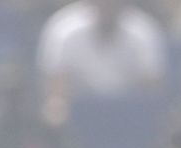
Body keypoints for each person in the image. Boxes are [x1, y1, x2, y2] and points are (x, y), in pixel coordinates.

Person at [37, 0, 166, 123]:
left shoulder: (143, 32)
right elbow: (56, 90)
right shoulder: (64, 30)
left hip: (129, 116)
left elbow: (152, 91)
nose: (107, 4)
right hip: (79, 116)